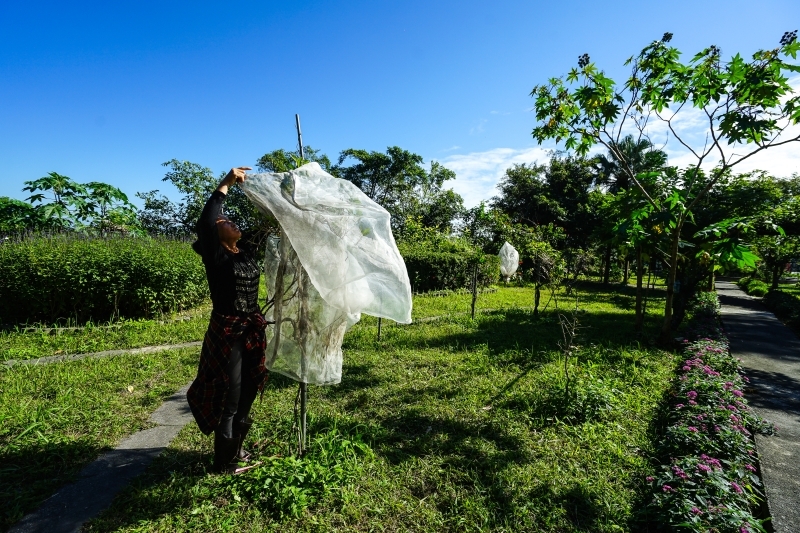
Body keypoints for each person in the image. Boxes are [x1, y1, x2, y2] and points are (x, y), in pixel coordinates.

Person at [186, 166, 269, 474]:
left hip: (251, 328)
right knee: (230, 395)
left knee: (251, 385)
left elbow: (268, 224)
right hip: (229, 331)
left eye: (229, 219)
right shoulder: (216, 257)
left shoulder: (244, 252)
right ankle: (223, 462)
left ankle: (237, 449)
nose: (227, 221)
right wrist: (226, 183)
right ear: (214, 235)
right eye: (223, 221)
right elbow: (206, 220)